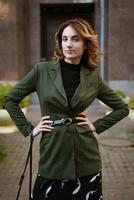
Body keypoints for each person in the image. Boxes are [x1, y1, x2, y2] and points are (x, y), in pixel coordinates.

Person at [3, 18, 129, 200]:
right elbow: (10, 99)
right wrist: (29, 129)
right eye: (64, 39)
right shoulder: (42, 71)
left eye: (75, 39)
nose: (68, 44)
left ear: (86, 44)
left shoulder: (92, 77)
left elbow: (121, 108)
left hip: (86, 157)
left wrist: (97, 125)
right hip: (52, 154)